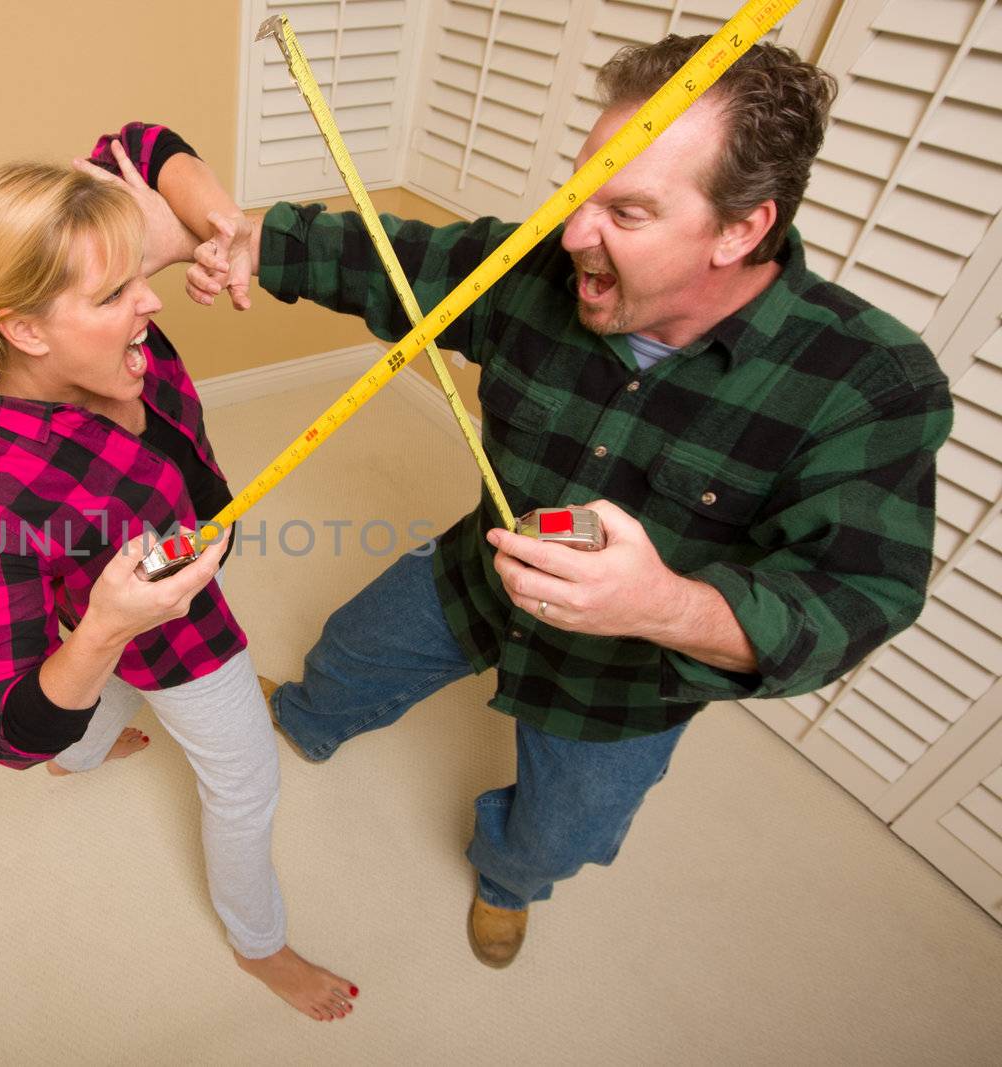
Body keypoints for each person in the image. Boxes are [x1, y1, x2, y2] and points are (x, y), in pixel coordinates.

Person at [149, 34, 954, 967]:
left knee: (557, 830)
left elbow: (856, 598)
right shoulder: (540, 269)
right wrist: (239, 241)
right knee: (354, 649)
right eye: (581, 191)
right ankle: (306, 719)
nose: (573, 233)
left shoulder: (872, 383)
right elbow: (390, 258)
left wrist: (662, 604)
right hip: (480, 570)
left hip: (625, 684)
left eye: (629, 209)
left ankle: (506, 881)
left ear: (741, 229)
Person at [0, 126, 358, 1019]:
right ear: (26, 328)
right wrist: (110, 627)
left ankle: (81, 750)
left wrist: (219, 222)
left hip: (141, 570)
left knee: (84, 711)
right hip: (162, 624)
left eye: (139, 274)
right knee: (244, 782)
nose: (152, 301)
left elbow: (137, 141)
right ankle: (259, 945)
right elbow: (0, 729)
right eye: (118, 291)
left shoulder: (51, 308)